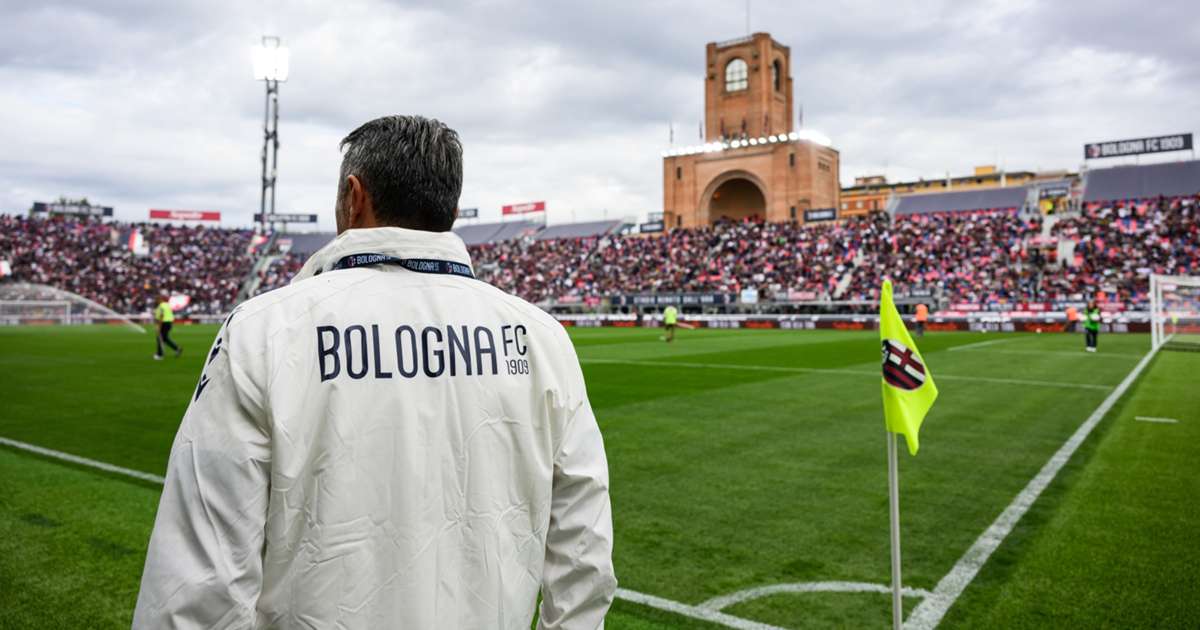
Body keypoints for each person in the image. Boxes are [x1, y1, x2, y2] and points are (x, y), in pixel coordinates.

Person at [133, 115, 616, 629]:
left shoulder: (262, 330)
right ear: (450, 210)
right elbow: (584, 557)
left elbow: (198, 588)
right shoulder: (542, 338)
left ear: (353, 196)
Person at [152, 294, 181, 360]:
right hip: (169, 323)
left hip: (164, 323)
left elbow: (161, 316)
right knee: (164, 338)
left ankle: (160, 355)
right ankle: (177, 348)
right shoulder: (167, 305)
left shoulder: (160, 306)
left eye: (156, 300)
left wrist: (158, 327)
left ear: (159, 299)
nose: (156, 301)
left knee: (160, 338)